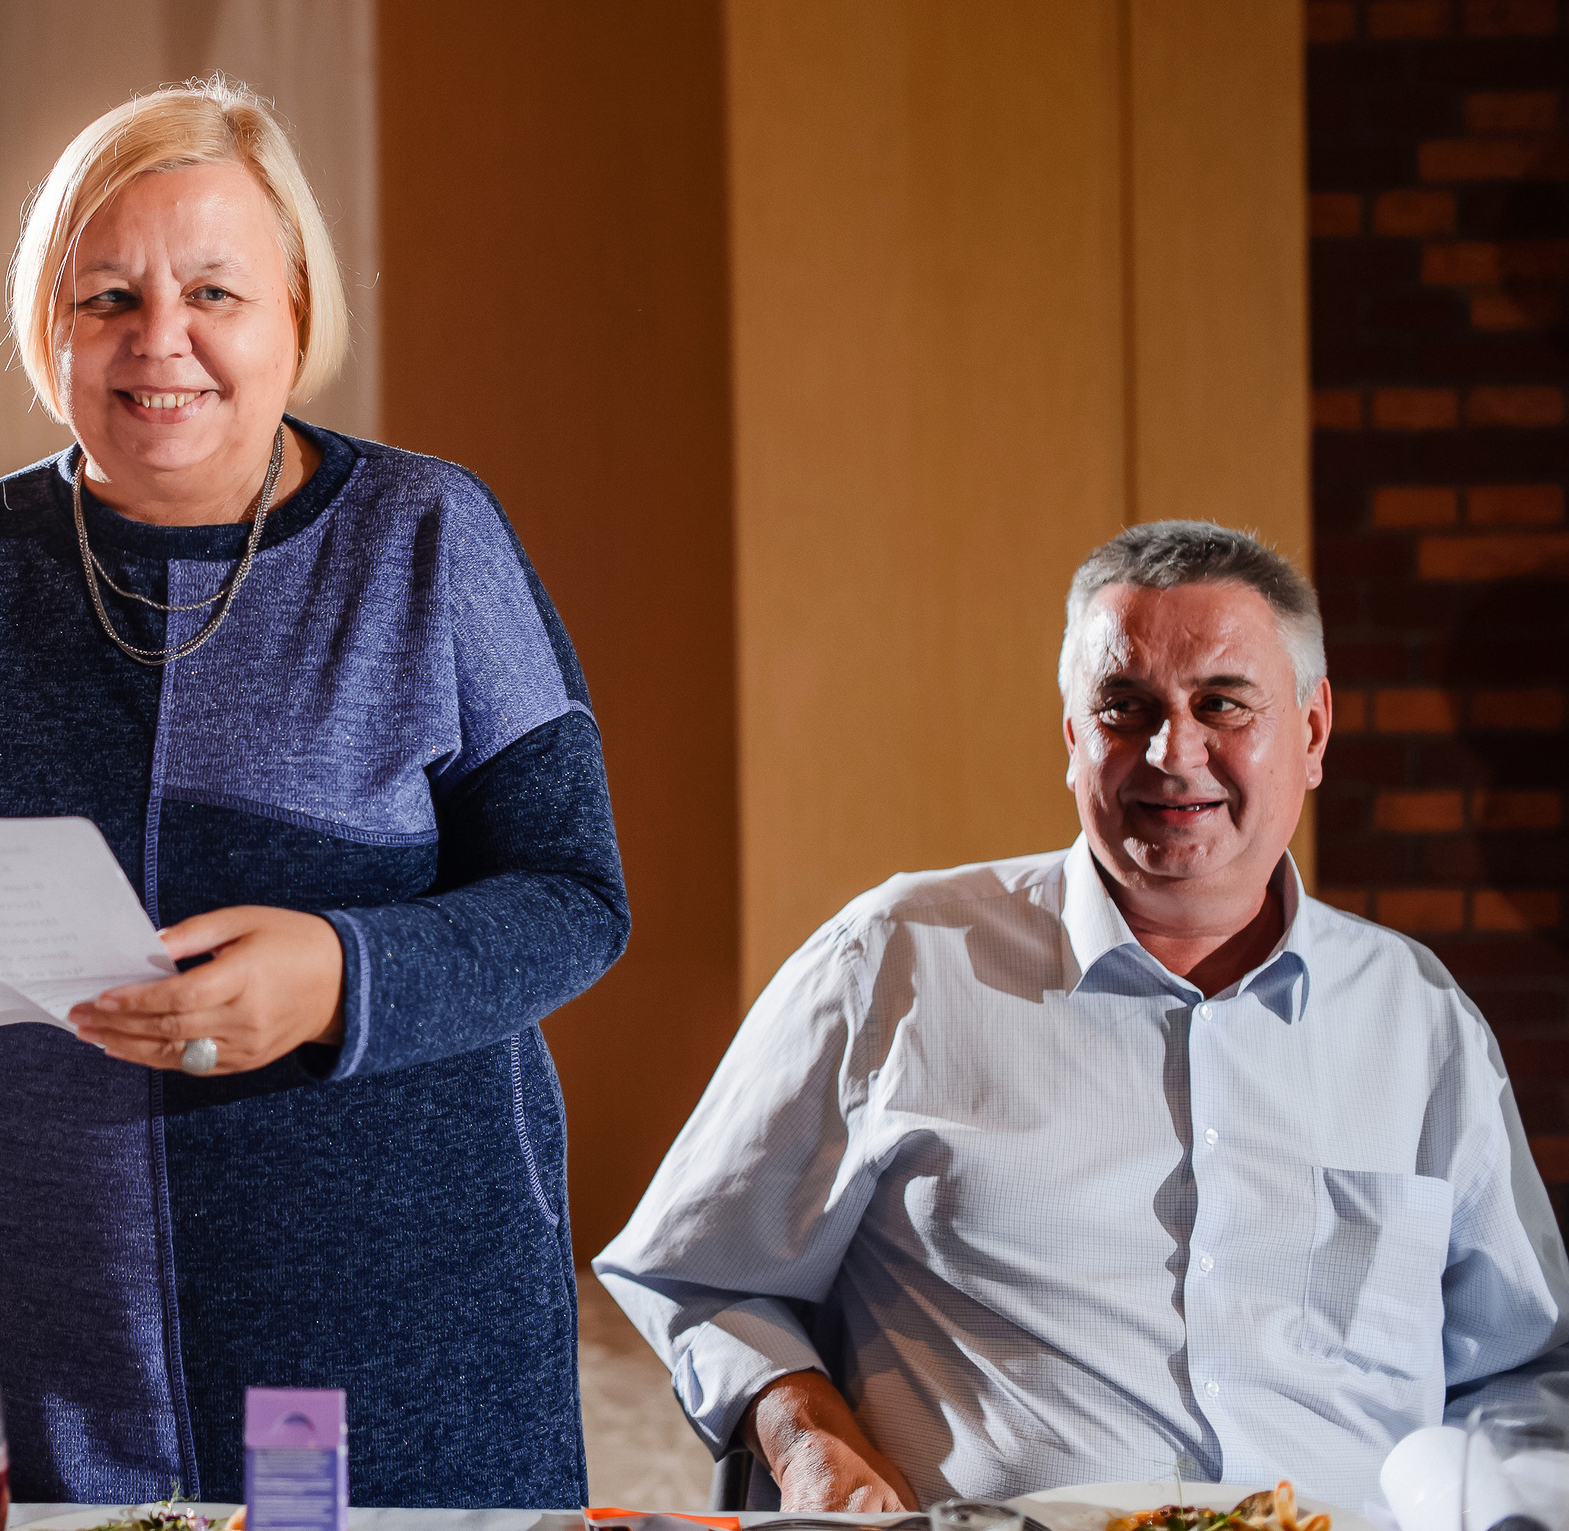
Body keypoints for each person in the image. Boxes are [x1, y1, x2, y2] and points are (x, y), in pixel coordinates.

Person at [0, 78, 628, 1506]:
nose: (160, 341)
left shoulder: (430, 539)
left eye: (213, 290)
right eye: (107, 297)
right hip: (47, 1309)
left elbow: (574, 902)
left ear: (297, 312)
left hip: (389, 1305)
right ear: (52, 324)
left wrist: (343, 972)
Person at [596, 521, 1569, 1512]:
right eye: (1125, 707)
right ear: (1072, 738)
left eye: (1222, 704)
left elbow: (1521, 1369)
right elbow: (699, 1276)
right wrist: (805, 1442)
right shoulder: (894, 960)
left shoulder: (1417, 1017)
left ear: (1312, 733)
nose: (1172, 751)